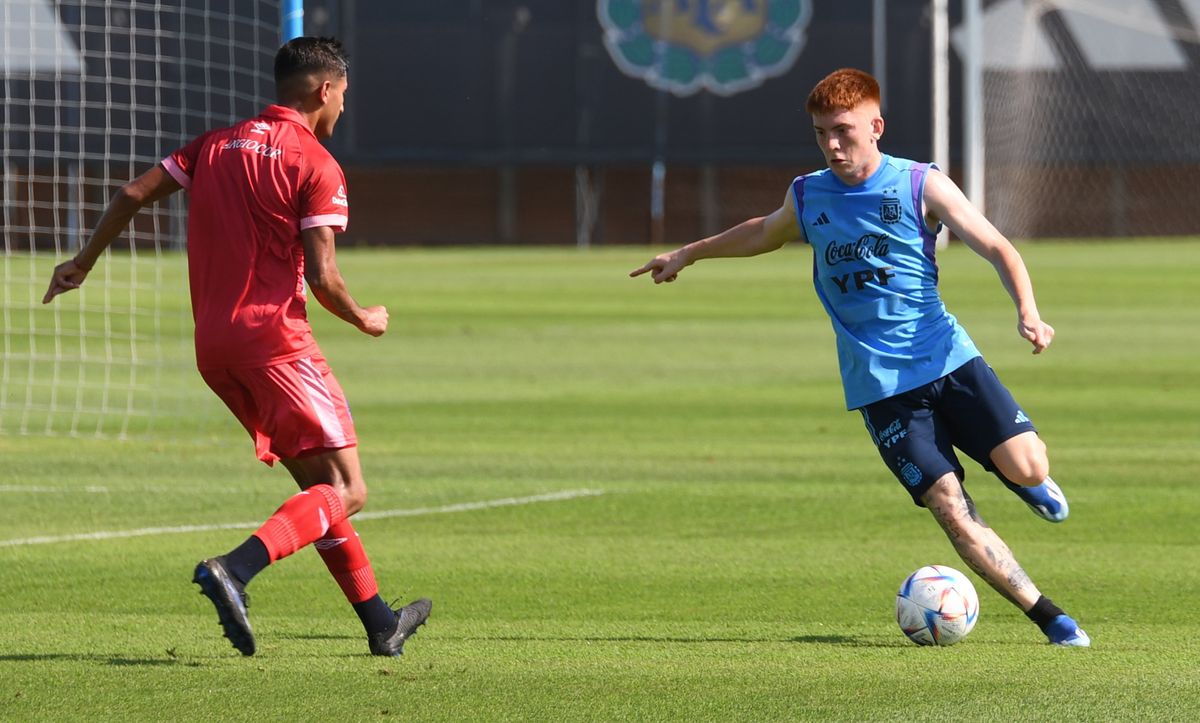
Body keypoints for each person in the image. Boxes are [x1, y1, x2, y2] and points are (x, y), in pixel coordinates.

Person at [630, 68, 1089, 646]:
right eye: (822, 133)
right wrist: (688, 254)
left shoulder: (922, 185)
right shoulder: (808, 194)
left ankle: (1026, 481)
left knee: (1030, 467)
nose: (833, 144)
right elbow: (763, 232)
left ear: (876, 126)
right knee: (949, 505)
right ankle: (1052, 618)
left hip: (949, 360)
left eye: (844, 130)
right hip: (880, 389)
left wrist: (1027, 311)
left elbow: (997, 246)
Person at [43, 37, 431, 657]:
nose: (343, 110)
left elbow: (133, 194)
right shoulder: (315, 163)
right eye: (343, 96)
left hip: (215, 348)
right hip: (277, 343)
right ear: (324, 90)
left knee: (319, 492)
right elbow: (325, 277)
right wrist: (365, 318)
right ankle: (236, 568)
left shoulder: (214, 145)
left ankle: (381, 623)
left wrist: (83, 262)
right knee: (351, 491)